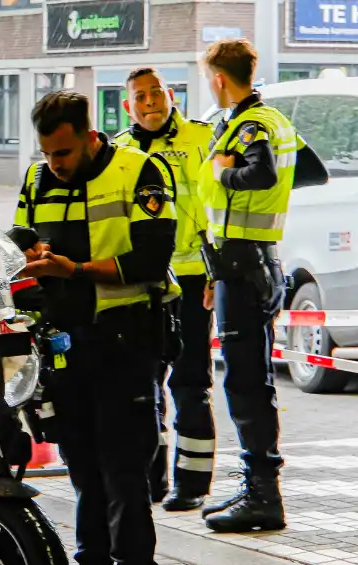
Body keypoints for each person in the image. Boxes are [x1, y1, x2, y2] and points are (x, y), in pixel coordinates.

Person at [13, 89, 178, 565]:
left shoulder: (140, 170)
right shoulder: (37, 179)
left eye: (62, 153)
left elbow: (153, 258)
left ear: (88, 137)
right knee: (85, 477)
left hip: (126, 344)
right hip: (66, 349)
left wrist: (75, 271)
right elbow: (16, 241)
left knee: (125, 479)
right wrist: (22, 260)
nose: (53, 165)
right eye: (46, 153)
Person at [196, 39, 327, 534]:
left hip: (244, 264)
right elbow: (311, 171)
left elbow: (263, 172)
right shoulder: (276, 121)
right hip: (255, 262)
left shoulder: (248, 125)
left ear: (219, 78)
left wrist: (223, 173)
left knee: (245, 382)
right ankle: (256, 484)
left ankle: (263, 495)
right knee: (252, 378)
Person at [114, 67, 217, 513]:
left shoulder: (201, 138)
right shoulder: (117, 150)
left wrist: (218, 271)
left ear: (171, 95)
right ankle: (150, 476)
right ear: (128, 105)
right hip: (143, 281)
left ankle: (193, 482)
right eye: (140, 96)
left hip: (194, 276)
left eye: (157, 92)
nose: (150, 101)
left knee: (191, 380)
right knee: (143, 381)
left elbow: (220, 204)